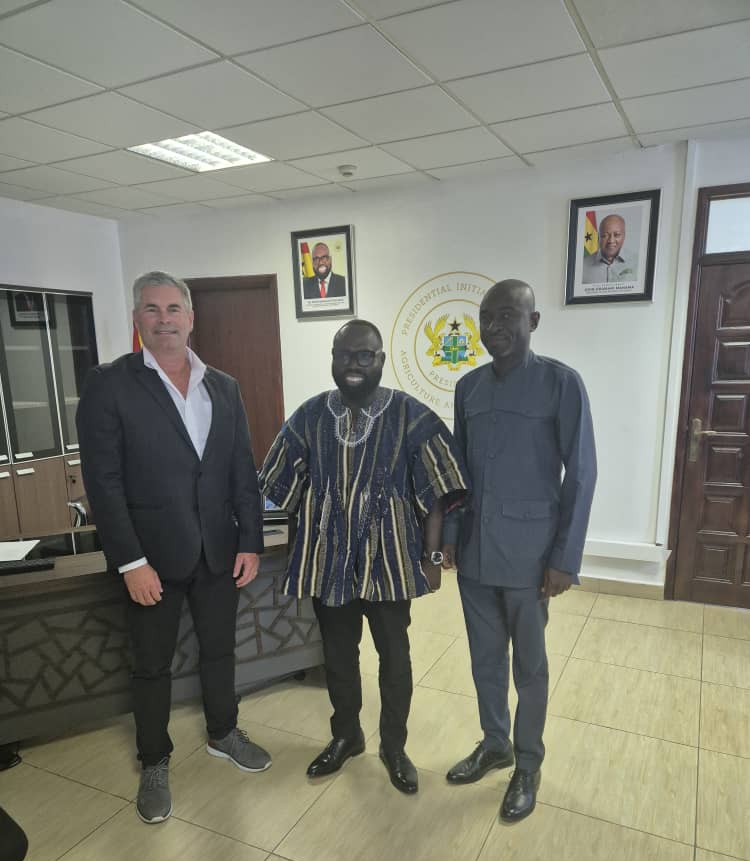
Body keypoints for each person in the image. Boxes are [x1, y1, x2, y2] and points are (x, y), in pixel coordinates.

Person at [76, 270, 271, 825]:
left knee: (220, 651)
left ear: (191, 317)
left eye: (173, 309)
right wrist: (130, 561)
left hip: (218, 551)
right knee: (151, 666)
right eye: (152, 309)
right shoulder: (110, 385)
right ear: (137, 319)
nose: (164, 320)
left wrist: (250, 540)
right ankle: (155, 760)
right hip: (150, 560)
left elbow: (241, 470)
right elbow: (104, 484)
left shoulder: (223, 386)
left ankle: (223, 732)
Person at [259, 319, 466, 794]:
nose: (353, 364)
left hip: (389, 561)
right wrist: (298, 550)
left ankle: (394, 746)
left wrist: (433, 558)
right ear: (333, 358)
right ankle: (346, 736)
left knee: (394, 656)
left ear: (380, 361)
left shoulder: (409, 414)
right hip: (328, 562)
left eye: (364, 356)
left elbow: (436, 490)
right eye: (344, 355)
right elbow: (281, 486)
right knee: (337, 654)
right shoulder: (310, 415)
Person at [443, 279, 596, 822]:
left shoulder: (561, 384)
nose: (496, 327)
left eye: (508, 316)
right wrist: (449, 538)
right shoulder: (468, 387)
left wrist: (564, 559)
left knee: (529, 667)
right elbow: (457, 473)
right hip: (476, 554)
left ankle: (528, 762)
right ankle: (495, 744)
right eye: (487, 318)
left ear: (533, 322)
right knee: (485, 659)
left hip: (531, 558)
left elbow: (582, 474)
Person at [582, 214, 637, 284]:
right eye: (605, 235)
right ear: (598, 237)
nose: (611, 240)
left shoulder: (637, 262)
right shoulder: (583, 266)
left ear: (624, 236)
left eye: (617, 235)